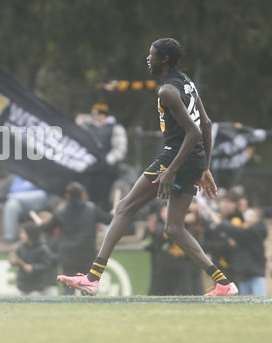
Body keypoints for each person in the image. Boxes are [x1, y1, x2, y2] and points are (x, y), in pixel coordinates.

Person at [58, 38, 238, 297]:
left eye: (151, 55)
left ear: (163, 59)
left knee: (124, 208)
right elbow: (207, 124)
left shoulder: (167, 91)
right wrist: (204, 167)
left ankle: (92, 278)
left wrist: (172, 170)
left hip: (174, 157)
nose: (147, 58)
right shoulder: (187, 82)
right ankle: (223, 283)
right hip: (193, 160)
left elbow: (194, 131)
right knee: (174, 228)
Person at [38, 182, 113, 295]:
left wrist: (41, 225)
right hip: (87, 253)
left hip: (68, 255)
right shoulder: (92, 209)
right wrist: (114, 215)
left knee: (68, 284)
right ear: (83, 195)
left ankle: (68, 307)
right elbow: (109, 220)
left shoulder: (60, 211)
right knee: (88, 283)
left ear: (67, 196)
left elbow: (47, 229)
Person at [77, 103, 128, 211]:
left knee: (105, 199)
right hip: (90, 169)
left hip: (107, 171)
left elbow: (120, 149)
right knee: (90, 197)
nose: (97, 117)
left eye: (100, 114)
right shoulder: (87, 127)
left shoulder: (115, 128)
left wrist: (107, 160)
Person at [207, 206, 268, 296]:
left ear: (258, 218)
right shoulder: (246, 232)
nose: (246, 217)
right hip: (243, 274)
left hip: (255, 273)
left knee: (260, 298)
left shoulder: (256, 231)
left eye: (251, 215)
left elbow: (238, 232)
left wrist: (221, 223)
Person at [0, 175, 49, 243]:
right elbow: (14, 190)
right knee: (11, 205)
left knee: (12, 199)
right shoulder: (20, 176)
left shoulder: (40, 174)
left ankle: (13, 197)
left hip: (38, 200)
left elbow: (46, 188)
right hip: (21, 203)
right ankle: (9, 237)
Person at [10, 221, 52, 295]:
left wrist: (33, 267)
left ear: (31, 233)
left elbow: (47, 265)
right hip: (23, 285)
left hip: (37, 286)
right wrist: (13, 262)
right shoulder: (20, 247)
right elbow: (14, 257)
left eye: (24, 233)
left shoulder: (42, 248)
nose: (21, 235)